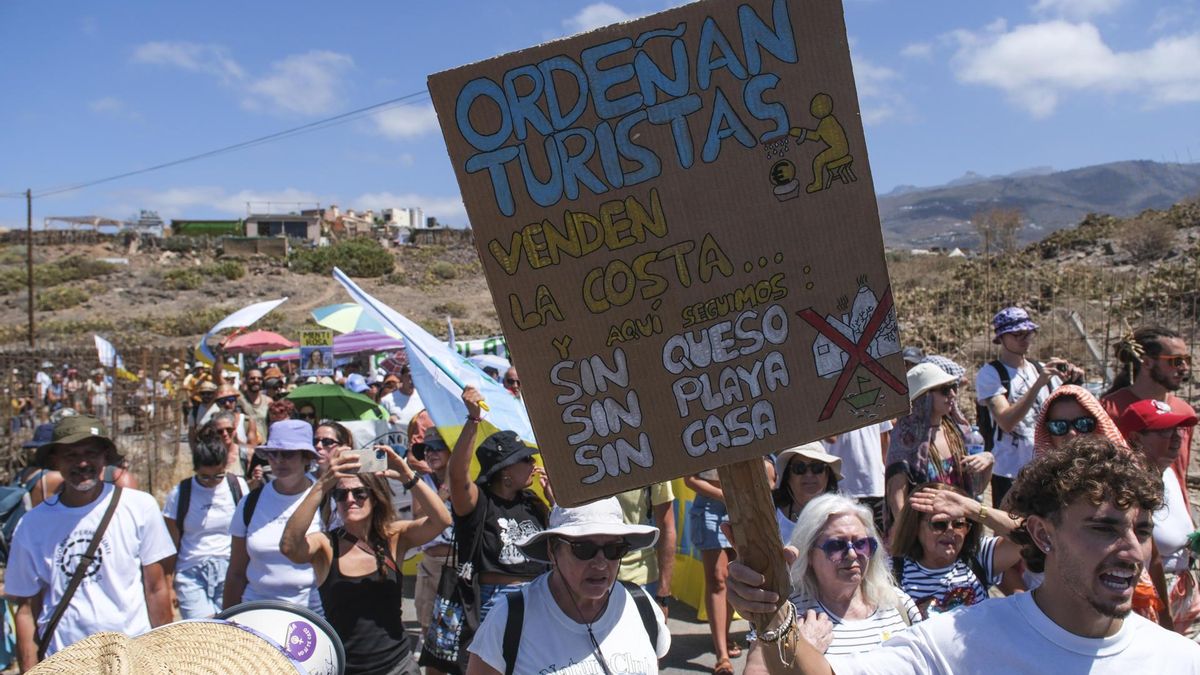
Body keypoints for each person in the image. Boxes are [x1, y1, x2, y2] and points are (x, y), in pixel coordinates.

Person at [724, 436, 1200, 673]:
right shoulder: (959, 641)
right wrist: (774, 614)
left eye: (1141, 529)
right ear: (1043, 534)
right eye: (1104, 528)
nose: (1131, 550)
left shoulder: (1179, 661)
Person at [4, 416, 174, 667]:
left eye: (90, 453)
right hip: (65, 661)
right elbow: (27, 609)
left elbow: (156, 588)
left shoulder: (139, 507)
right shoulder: (32, 525)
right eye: (71, 455)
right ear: (55, 461)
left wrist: (165, 660)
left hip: (130, 656)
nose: (82, 463)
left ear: (105, 457)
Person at [281, 439, 451, 674]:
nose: (350, 500)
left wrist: (406, 475)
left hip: (398, 667)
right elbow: (289, 547)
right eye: (341, 495)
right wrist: (321, 485)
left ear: (375, 497)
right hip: (346, 668)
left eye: (359, 493)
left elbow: (442, 520)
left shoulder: (394, 537)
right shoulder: (326, 546)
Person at [466, 497, 669, 674]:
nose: (600, 563)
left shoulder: (641, 607)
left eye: (614, 549)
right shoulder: (509, 618)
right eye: (583, 549)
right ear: (552, 551)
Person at [745, 494, 920, 674]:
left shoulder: (898, 603)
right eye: (836, 546)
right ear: (809, 555)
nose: (852, 554)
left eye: (861, 544)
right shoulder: (786, 614)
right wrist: (801, 650)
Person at [449, 387, 549, 623]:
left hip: (541, 596)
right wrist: (473, 420)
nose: (533, 463)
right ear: (505, 471)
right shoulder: (479, 503)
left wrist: (554, 501)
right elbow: (456, 476)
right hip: (497, 602)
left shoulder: (533, 503)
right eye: (525, 459)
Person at [974, 306, 1079, 507]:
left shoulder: (1039, 369)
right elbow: (1006, 421)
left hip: (1046, 465)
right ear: (1002, 338)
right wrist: (1038, 383)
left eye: (1028, 333)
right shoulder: (991, 374)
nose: (1025, 339)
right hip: (1009, 469)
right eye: (1017, 334)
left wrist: (1073, 382)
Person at [1116, 399, 1200, 636]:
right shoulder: (1125, 489)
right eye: (1164, 431)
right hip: (1147, 597)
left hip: (1183, 587)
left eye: (1177, 430)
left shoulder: (1169, 473)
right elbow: (1148, 557)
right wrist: (1163, 616)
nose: (1176, 438)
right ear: (1135, 438)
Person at [222, 420, 323, 613]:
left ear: (306, 458)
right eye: (272, 454)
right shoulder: (250, 504)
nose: (278, 460)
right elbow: (236, 572)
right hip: (256, 612)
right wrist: (225, 620)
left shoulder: (327, 502)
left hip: (312, 614)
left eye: (287, 454)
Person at [890, 483, 1023, 617]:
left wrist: (973, 509)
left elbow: (1028, 537)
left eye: (959, 524)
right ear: (915, 528)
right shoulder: (892, 573)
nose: (950, 531)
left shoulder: (979, 557)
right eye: (939, 524)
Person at [886, 364, 989, 528]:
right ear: (923, 398)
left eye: (954, 387)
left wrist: (988, 461)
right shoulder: (906, 439)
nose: (953, 394)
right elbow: (896, 497)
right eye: (944, 390)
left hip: (959, 529)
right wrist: (908, 540)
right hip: (924, 536)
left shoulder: (956, 432)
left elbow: (976, 488)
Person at [1103, 326, 1194, 508]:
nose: (1185, 367)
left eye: (1186, 360)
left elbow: (1180, 473)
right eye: (1176, 361)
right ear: (1146, 363)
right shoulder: (1109, 410)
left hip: (1175, 520)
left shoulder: (1185, 413)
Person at [162, 437, 249, 619]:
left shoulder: (237, 487)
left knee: (229, 628)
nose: (211, 482)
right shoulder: (180, 494)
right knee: (200, 633)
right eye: (205, 476)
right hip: (191, 571)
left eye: (218, 476)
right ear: (195, 470)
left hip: (228, 570)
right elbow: (170, 543)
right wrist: (169, 586)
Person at [684, 468, 741, 674]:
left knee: (735, 576)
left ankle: (723, 637)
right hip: (709, 507)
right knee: (718, 578)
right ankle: (722, 655)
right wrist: (723, 496)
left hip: (739, 505)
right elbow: (689, 480)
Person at [409, 427, 456, 645]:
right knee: (428, 626)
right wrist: (443, 492)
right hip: (432, 564)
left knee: (462, 629)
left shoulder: (466, 482)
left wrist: (453, 481)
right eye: (427, 449)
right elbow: (419, 515)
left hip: (460, 563)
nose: (430, 453)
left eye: (437, 448)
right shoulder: (421, 481)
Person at [615, 480, 677, 617]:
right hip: (586, 577)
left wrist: (663, 595)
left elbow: (667, 527)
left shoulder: (652, 464)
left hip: (639, 581)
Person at [823, 418, 890, 533]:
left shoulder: (876, 402)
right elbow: (831, 438)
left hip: (876, 487)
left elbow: (884, 438)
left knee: (881, 543)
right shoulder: (827, 404)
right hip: (842, 489)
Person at [773, 443, 842, 544]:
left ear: (827, 474)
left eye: (817, 467)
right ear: (788, 476)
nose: (809, 474)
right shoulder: (771, 514)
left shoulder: (843, 514)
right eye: (799, 468)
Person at [1034, 384, 1127, 455]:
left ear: (1098, 426)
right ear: (1047, 432)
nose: (1072, 433)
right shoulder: (1038, 479)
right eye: (1059, 426)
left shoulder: (1122, 475)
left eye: (1083, 424)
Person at [381, 366, 424, 430]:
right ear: (402, 377)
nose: (412, 380)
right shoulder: (386, 400)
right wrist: (388, 419)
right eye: (409, 376)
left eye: (415, 376)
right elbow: (380, 425)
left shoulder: (423, 399)